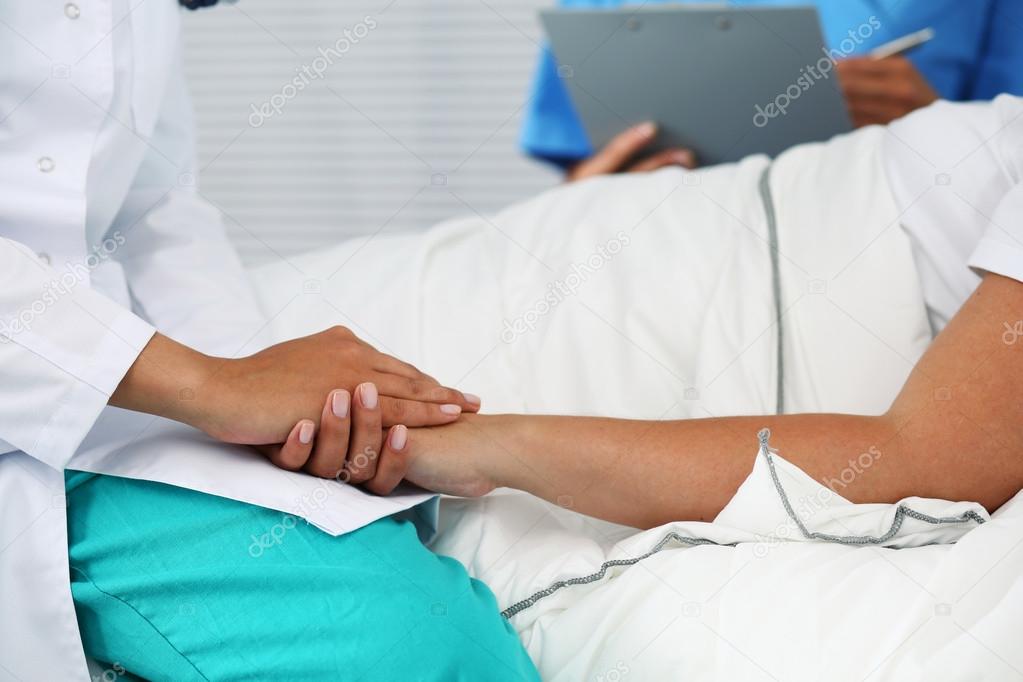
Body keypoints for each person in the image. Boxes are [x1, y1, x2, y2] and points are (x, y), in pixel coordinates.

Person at [0, 2, 536, 680]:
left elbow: (152, 206)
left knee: (434, 637)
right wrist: (208, 386)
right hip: (48, 433)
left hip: (120, 405)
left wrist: (261, 403)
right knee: (403, 650)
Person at [283, 94, 1023, 529]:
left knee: (260, 400)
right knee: (247, 359)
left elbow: (932, 462)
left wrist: (476, 444)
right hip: (651, 243)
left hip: (704, 303)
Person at [521, 0, 1023, 181]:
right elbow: (578, 178)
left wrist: (936, 122)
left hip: (885, 262)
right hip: (660, 266)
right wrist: (596, 191)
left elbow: (1012, 171)